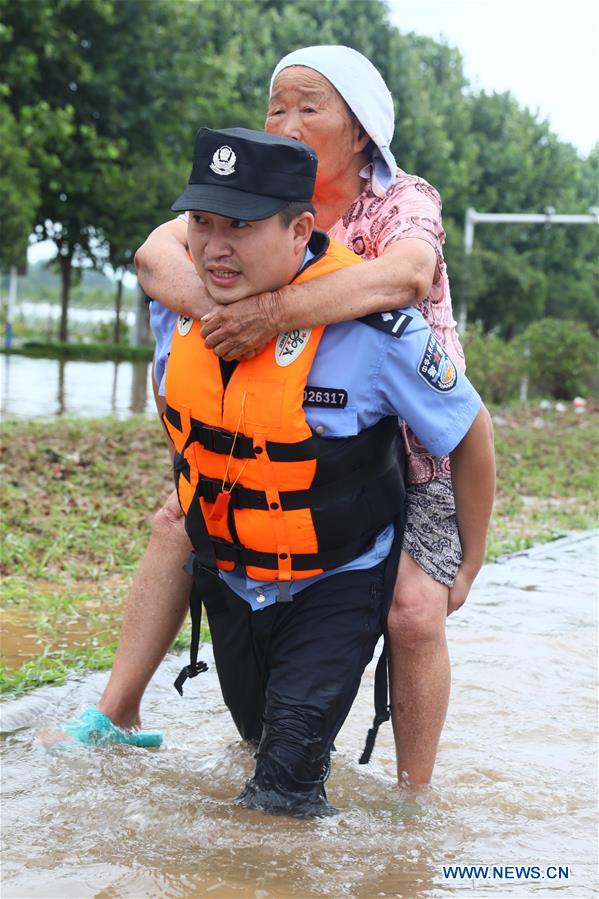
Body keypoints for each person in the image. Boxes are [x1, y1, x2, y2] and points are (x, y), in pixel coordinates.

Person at [69, 46, 483, 789]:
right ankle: (116, 712)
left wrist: (270, 314)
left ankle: (413, 797)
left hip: (412, 439)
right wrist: (220, 313)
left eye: (309, 107)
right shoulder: (251, 185)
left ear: (360, 131)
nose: (286, 122)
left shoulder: (401, 198)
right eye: (276, 106)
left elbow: (405, 275)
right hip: (277, 427)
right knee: (177, 522)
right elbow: (158, 254)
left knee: (414, 606)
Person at [149, 124, 492, 815]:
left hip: (336, 580)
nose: (215, 246)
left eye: (240, 226)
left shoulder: (378, 333)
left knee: (281, 792)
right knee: (256, 741)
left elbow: (470, 430)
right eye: (203, 222)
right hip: (233, 577)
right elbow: (190, 431)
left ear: (300, 226)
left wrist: (468, 561)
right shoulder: (182, 311)